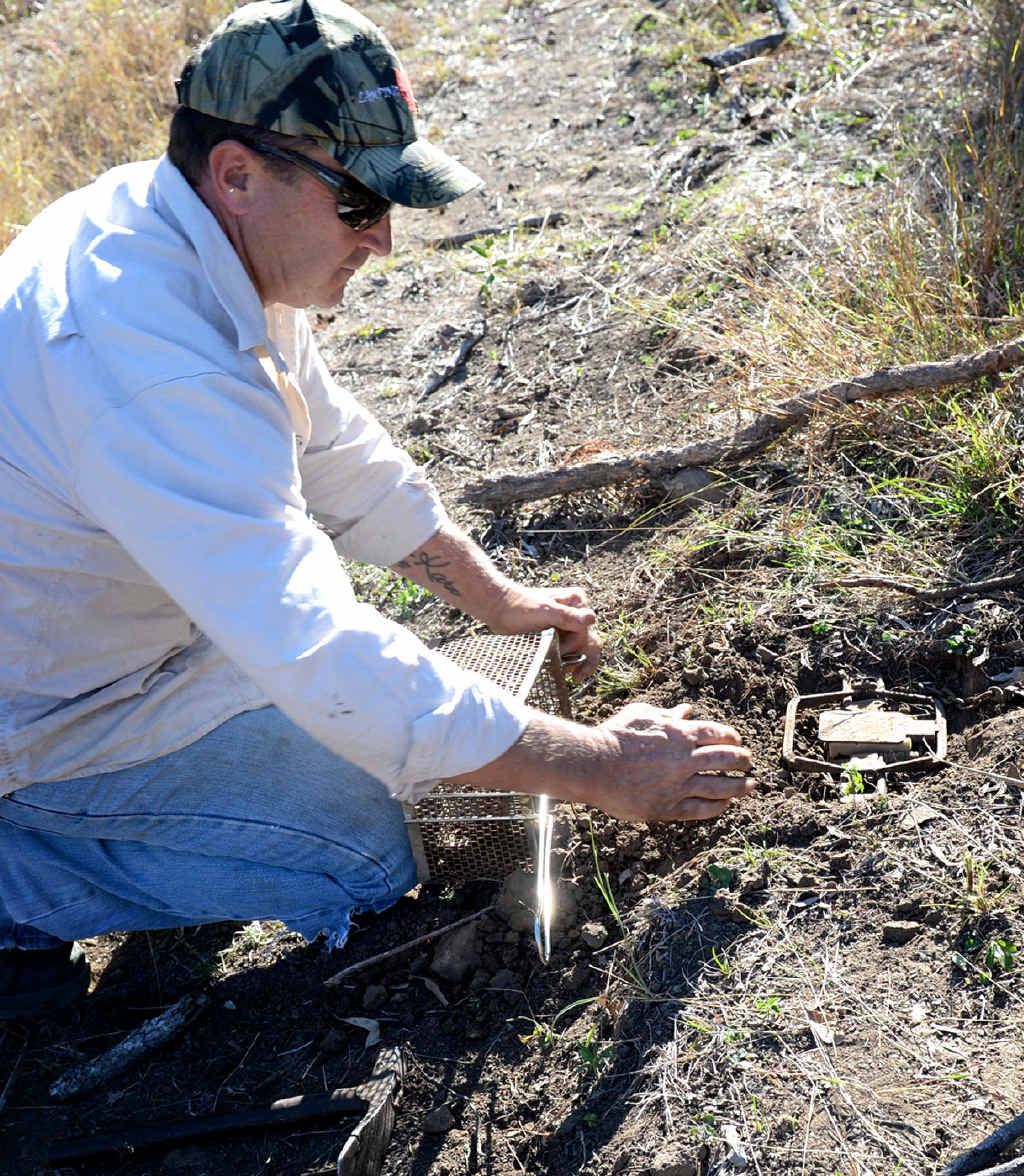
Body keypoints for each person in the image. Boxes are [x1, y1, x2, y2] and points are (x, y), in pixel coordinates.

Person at [0, 0, 754, 1020]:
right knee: (362, 848)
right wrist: (603, 767)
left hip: (141, 641)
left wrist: (494, 599)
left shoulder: (189, 230)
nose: (384, 239)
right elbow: (310, 642)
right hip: (47, 720)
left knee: (400, 745)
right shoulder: (148, 362)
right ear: (237, 171)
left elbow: (328, 443)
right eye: (358, 201)